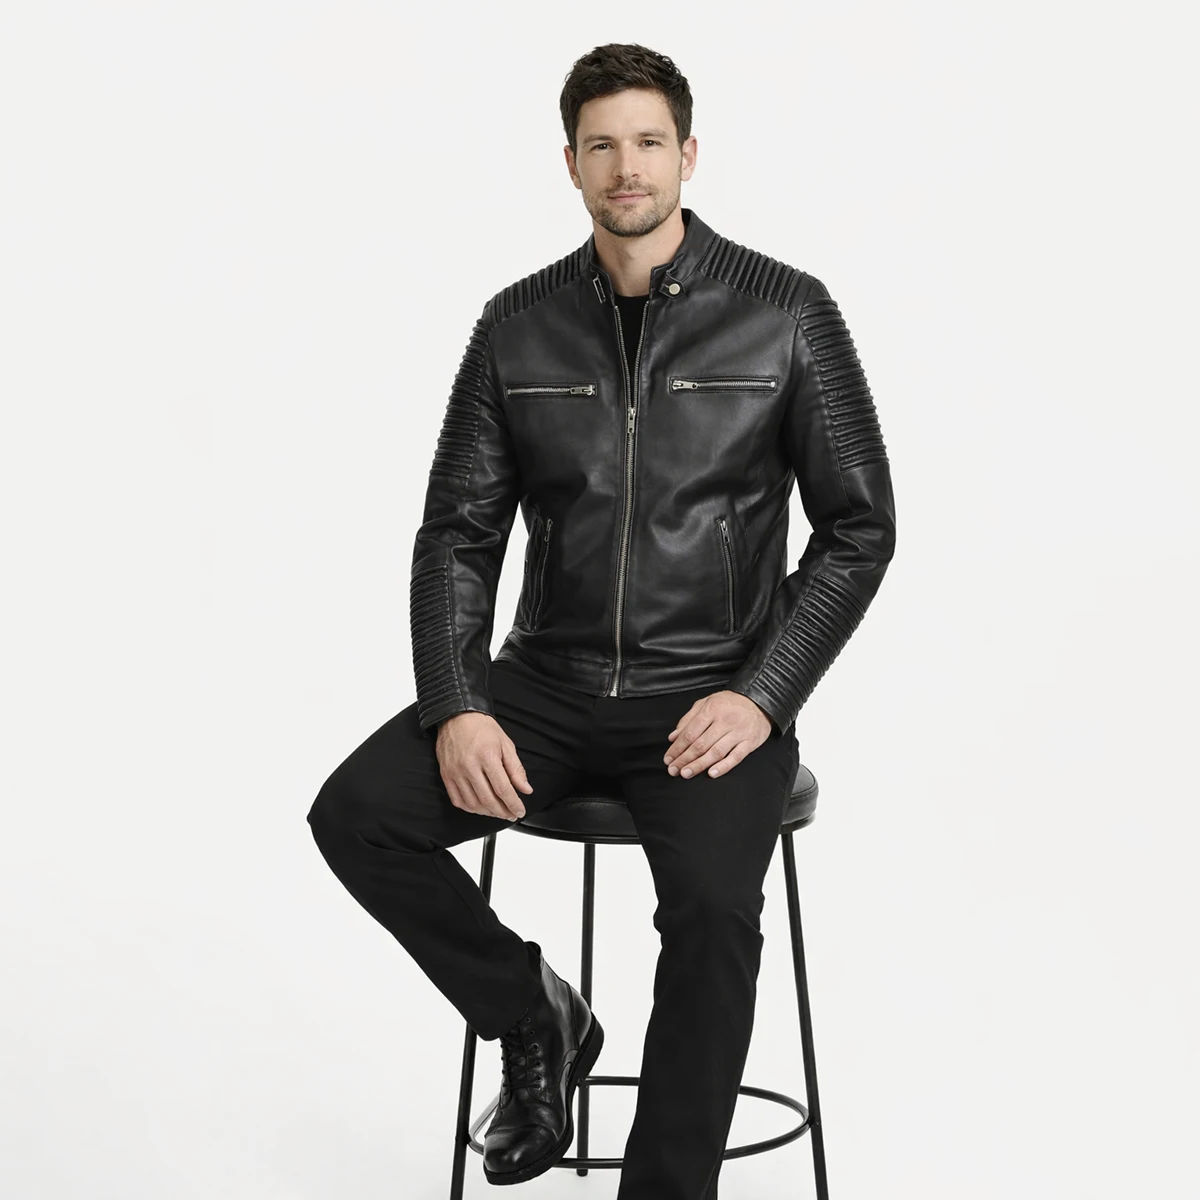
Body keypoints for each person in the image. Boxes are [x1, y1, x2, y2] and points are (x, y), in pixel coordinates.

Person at [306, 41, 896, 1200]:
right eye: (602, 146)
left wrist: (763, 695)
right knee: (356, 815)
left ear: (688, 154)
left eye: (648, 142)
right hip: (545, 684)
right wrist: (458, 703)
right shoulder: (516, 326)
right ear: (571, 164)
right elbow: (457, 536)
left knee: (714, 914)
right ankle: (535, 1016)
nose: (628, 167)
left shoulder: (786, 312)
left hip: (711, 693)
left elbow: (859, 529)